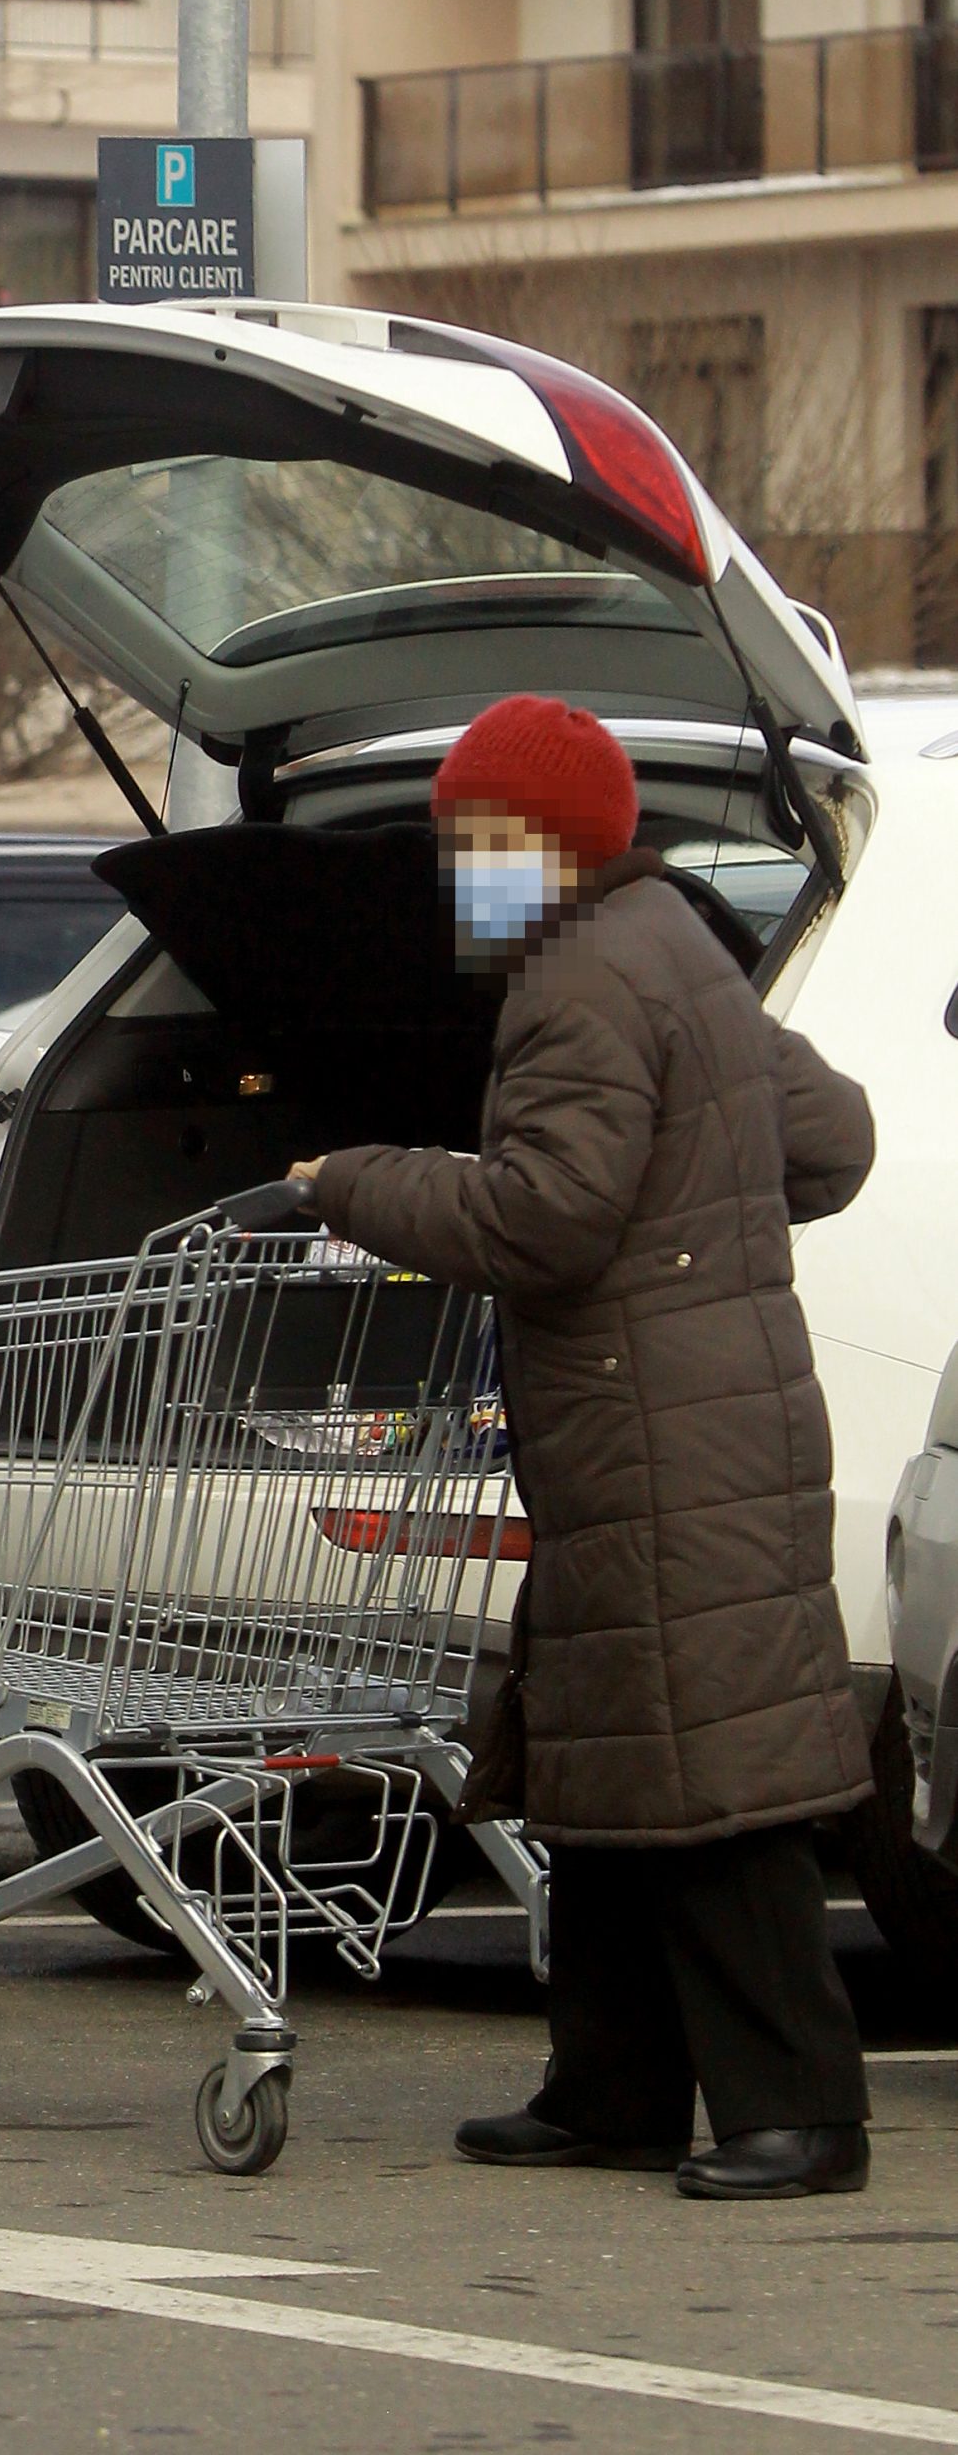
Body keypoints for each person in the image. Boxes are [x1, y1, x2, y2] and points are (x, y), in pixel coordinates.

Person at [290, 693, 878, 2201]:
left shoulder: (583, 977)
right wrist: (704, 1230)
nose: (456, 872)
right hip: (695, 1405)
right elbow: (831, 1138)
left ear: (542, 843)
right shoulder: (675, 944)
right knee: (617, 1741)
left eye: (472, 842)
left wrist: (350, 1180)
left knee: (711, 1767)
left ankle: (802, 2115)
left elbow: (544, 1218)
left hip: (654, 1421)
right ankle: (613, 2090)